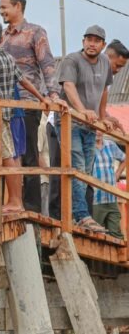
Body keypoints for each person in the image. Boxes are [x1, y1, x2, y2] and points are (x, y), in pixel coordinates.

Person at [0, 18, 48, 213]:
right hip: (7, 113)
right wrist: (42, 97)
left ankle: (15, 200)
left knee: (7, 157)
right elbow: (22, 80)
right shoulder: (6, 57)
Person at [0, 0, 60, 213]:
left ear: (18, 7)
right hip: (3, 105)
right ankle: (10, 202)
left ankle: (32, 207)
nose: (1, 11)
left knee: (28, 155)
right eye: (0, 7)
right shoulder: (2, 37)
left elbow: (47, 65)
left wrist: (52, 94)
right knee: (7, 155)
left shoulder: (35, 32)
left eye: (4, 6)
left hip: (27, 103)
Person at [58, 25, 114, 233]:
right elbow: (68, 86)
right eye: (88, 39)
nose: (92, 43)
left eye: (96, 40)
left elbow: (104, 90)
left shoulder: (106, 62)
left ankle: (78, 215)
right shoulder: (72, 60)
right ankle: (81, 216)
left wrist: (102, 116)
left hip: (90, 124)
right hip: (70, 121)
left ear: (103, 45)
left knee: (86, 171)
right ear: (83, 41)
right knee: (78, 168)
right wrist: (83, 111)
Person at [91, 132, 126, 239]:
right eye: (95, 129)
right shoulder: (88, 145)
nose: (98, 132)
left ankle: (120, 255)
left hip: (111, 196)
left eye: (100, 129)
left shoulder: (110, 144)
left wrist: (117, 174)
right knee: (95, 233)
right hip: (95, 198)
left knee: (116, 233)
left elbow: (125, 158)